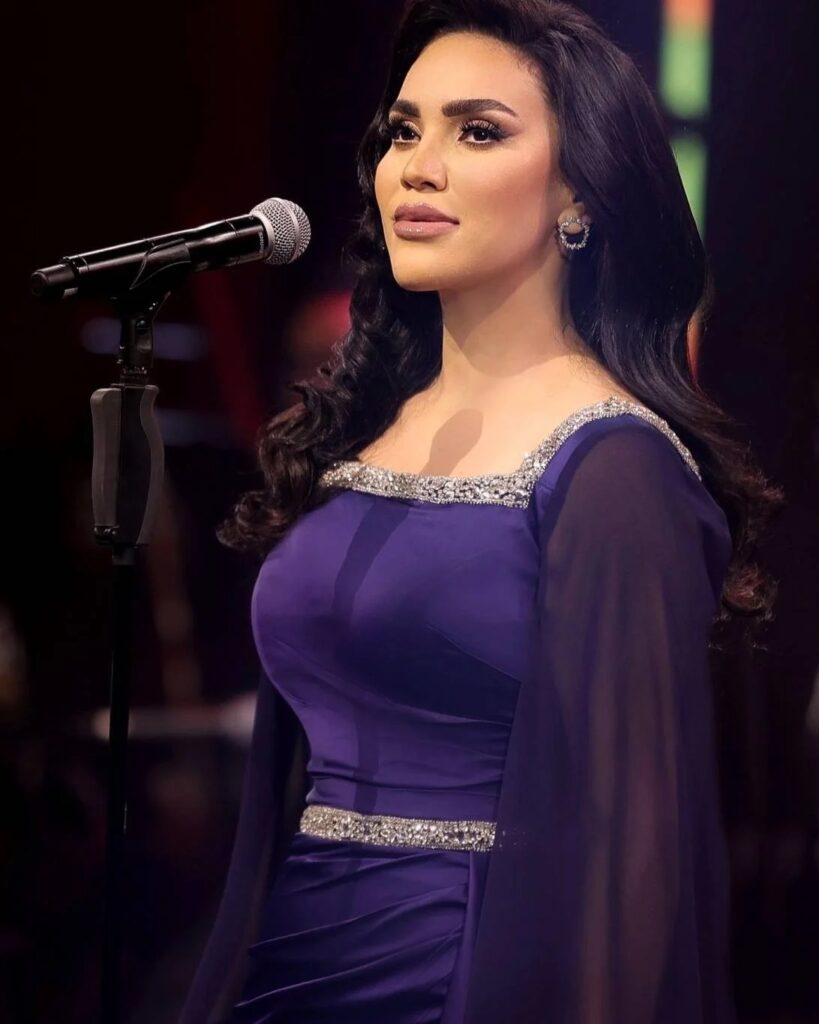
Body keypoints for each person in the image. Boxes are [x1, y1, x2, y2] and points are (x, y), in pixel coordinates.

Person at [178, 1, 783, 1021]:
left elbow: (632, 866)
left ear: (578, 191)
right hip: (287, 965)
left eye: (478, 132)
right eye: (402, 131)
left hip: (459, 978)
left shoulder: (615, 467)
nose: (418, 167)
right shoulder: (362, 429)